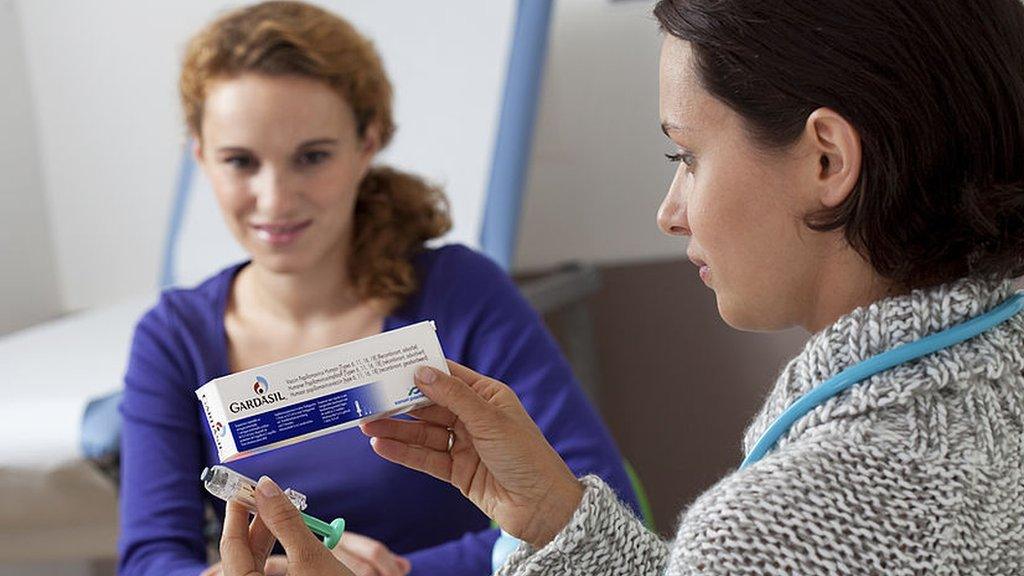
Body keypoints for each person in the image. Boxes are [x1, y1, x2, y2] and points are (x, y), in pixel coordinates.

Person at [219, 0, 1024, 574]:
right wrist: (557, 527)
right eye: (239, 161)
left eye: (685, 156)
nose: (670, 211)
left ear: (826, 160)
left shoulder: (777, 525)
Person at [117, 2, 639, 575]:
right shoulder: (173, 339)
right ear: (200, 157)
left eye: (311, 157)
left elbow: (602, 512)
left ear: (368, 142)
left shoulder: (459, 295)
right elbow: (150, 561)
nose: (275, 198)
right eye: (240, 161)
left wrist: (385, 574)